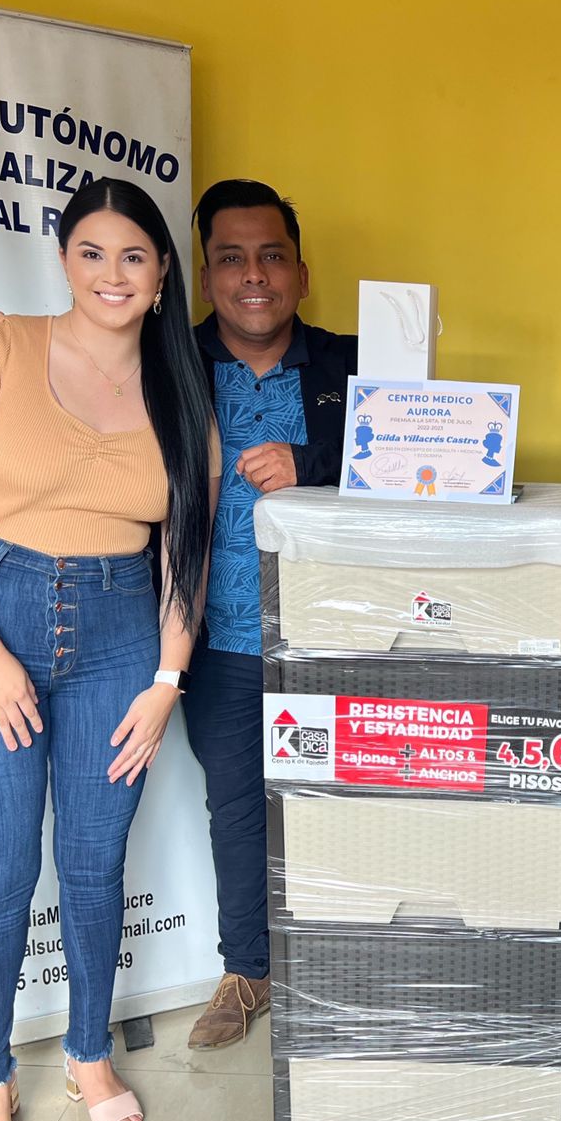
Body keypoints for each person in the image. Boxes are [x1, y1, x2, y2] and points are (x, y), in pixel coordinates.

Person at [0, 177, 220, 1121]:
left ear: (161, 273)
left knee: (96, 865)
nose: (112, 273)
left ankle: (89, 1053)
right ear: (64, 260)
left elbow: (185, 554)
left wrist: (167, 679)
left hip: (119, 634)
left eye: (133, 255)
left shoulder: (185, 393)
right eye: (92, 252)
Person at [182, 179, 357, 1049]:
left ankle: (348, 955)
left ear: (302, 273)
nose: (254, 275)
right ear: (206, 276)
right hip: (215, 636)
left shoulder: (354, 366)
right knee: (239, 806)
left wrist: (310, 463)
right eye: (232, 257)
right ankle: (247, 970)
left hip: (343, 632)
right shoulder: (167, 365)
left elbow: (426, 465)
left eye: (272, 256)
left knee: (347, 797)